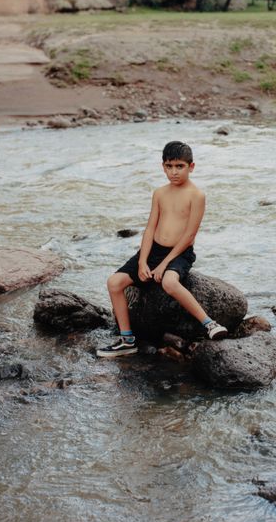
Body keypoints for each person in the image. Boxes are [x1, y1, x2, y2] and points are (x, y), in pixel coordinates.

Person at [97, 140, 228, 358]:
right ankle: (127, 340)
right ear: (163, 167)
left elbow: (189, 235)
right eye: (169, 166)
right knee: (114, 283)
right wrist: (142, 261)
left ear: (191, 167)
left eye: (180, 166)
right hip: (153, 251)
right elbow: (150, 228)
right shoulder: (159, 193)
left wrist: (164, 264)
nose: (174, 172)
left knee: (169, 282)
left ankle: (209, 324)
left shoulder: (197, 196)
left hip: (180, 252)